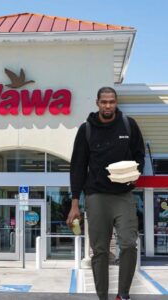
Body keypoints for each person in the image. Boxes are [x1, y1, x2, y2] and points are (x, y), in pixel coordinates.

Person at [66, 87, 145, 300]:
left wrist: (133, 173)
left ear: (116, 102)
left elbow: (139, 155)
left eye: (111, 101)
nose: (108, 105)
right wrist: (75, 203)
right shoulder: (86, 130)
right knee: (100, 251)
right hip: (96, 196)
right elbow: (78, 167)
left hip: (123, 196)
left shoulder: (129, 125)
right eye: (104, 102)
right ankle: (103, 297)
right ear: (97, 103)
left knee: (129, 243)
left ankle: (123, 295)